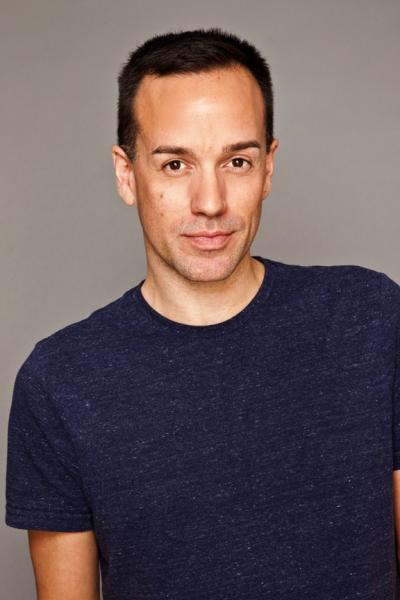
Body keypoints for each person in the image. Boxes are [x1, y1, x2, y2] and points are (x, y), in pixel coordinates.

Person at [4, 26, 400, 600]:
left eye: (237, 161)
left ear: (268, 168)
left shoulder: (371, 320)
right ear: (126, 174)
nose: (210, 202)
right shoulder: (59, 382)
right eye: (175, 165)